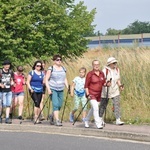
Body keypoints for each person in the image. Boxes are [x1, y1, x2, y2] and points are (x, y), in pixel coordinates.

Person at [84, 60, 110, 129]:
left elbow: (103, 83)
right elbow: (86, 85)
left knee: (93, 109)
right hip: (91, 93)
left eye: (98, 64)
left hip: (98, 94)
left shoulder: (102, 73)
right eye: (95, 64)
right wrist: (88, 94)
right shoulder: (90, 74)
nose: (96, 65)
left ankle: (86, 120)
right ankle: (98, 123)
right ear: (92, 65)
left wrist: (107, 84)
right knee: (96, 108)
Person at [99, 57, 124, 125]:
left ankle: (118, 119)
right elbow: (101, 80)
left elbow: (118, 80)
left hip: (115, 89)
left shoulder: (117, 70)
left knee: (117, 104)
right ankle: (100, 118)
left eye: (115, 63)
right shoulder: (105, 70)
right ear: (109, 64)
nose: (115, 64)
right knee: (103, 105)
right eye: (113, 63)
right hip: (106, 90)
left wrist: (120, 86)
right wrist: (106, 84)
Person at [45, 54, 69, 126]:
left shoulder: (63, 69)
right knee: (55, 104)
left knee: (59, 105)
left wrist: (68, 87)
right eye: (57, 60)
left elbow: (64, 78)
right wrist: (48, 89)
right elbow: (46, 79)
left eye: (60, 60)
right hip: (53, 88)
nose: (59, 61)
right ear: (54, 61)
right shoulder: (51, 68)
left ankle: (52, 115)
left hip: (61, 88)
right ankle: (57, 120)